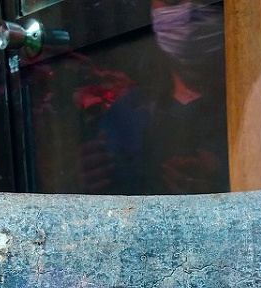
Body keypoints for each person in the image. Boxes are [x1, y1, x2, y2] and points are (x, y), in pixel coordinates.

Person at [79, 0, 229, 195]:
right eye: (172, 0)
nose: (189, 11)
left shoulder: (260, 102)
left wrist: (223, 184)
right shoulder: (125, 115)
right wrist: (81, 182)